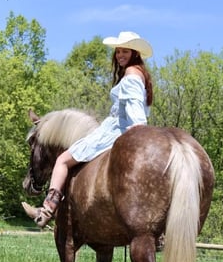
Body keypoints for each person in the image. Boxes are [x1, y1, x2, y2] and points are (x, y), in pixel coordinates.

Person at [22, 31, 154, 228]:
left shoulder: (131, 75)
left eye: (125, 51)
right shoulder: (140, 74)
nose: (120, 55)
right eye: (118, 51)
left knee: (62, 160)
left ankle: (47, 209)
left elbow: (137, 116)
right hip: (117, 129)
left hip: (116, 132)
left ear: (135, 53)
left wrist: (136, 135)